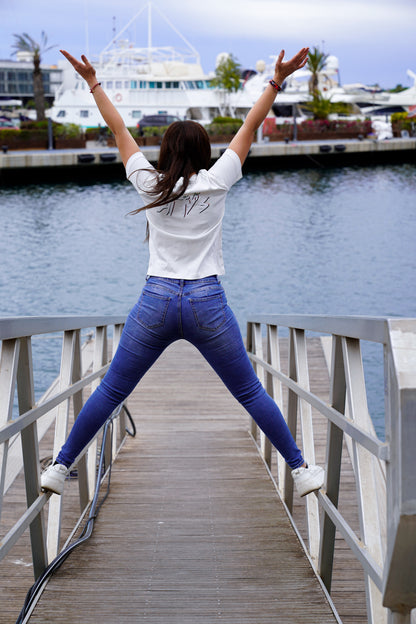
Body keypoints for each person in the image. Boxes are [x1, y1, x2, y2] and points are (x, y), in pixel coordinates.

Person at [41, 46, 324, 498]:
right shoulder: (217, 182)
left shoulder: (149, 183)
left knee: (112, 390)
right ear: (204, 151)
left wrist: (93, 81)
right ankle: (301, 469)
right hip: (207, 302)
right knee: (250, 392)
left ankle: (59, 465)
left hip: (156, 300)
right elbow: (250, 126)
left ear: (166, 150)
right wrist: (276, 79)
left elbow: (117, 126)